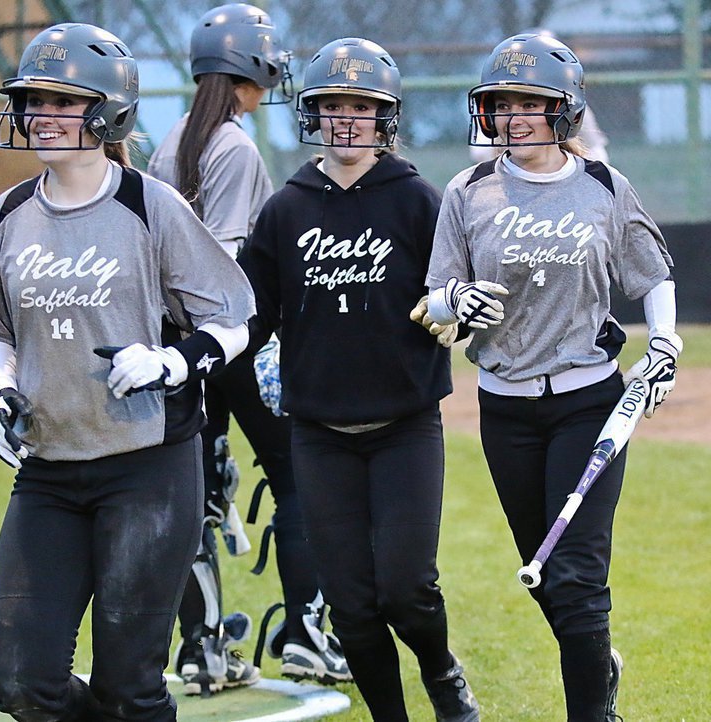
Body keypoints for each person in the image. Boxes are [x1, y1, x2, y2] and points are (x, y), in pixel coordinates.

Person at [0, 22, 255, 721]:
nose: (43, 115)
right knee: (21, 683)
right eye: (34, 99)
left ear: (109, 111)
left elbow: (234, 320)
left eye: (64, 101)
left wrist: (171, 361)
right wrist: (1, 391)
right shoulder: (3, 218)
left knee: (131, 689)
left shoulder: (151, 206)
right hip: (48, 471)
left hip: (149, 471)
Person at [423, 32, 681, 722]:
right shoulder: (467, 190)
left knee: (575, 576)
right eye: (503, 104)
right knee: (541, 571)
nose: (513, 117)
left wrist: (664, 340)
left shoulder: (603, 185)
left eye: (529, 103)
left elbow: (651, 271)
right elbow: (437, 295)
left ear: (564, 108)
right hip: (504, 408)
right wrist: (455, 303)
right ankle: (599, 663)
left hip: (589, 400)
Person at [238, 36, 480, 722]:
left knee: (407, 589)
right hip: (320, 433)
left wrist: (456, 314)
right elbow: (250, 313)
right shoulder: (286, 208)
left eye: (362, 107)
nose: (347, 121)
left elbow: (455, 298)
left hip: (405, 426)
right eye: (333, 106)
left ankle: (443, 675)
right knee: (350, 604)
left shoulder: (418, 202)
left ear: (385, 116)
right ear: (313, 113)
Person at [147, 3, 351, 696]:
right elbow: (227, 258)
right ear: (253, 65)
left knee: (198, 497)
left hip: (181, 347)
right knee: (299, 481)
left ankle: (202, 649)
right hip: (236, 341)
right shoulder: (233, 145)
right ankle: (308, 636)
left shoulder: (172, 140)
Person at [469, 29, 609, 164]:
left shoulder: (602, 178)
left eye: (530, 105)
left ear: (561, 108)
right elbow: (479, 153)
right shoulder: (473, 180)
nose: (514, 121)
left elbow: (598, 154)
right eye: (503, 106)